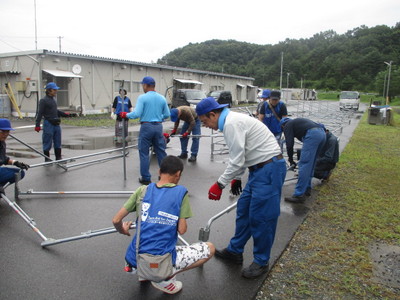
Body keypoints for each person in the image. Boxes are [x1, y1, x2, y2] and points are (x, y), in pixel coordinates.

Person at [195, 97, 286, 279]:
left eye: (205, 121)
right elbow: (242, 153)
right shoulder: (231, 121)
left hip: (268, 169)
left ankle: (261, 261)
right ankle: (235, 250)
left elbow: (237, 159)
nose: (205, 126)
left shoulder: (231, 123)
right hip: (258, 169)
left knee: (262, 218)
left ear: (213, 114)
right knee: (244, 211)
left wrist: (220, 184)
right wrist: (236, 178)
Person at [112, 155, 215, 294]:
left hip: (133, 260)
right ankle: (164, 279)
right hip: (159, 262)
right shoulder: (180, 192)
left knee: (143, 243)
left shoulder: (142, 190)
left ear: (159, 172)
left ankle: (144, 274)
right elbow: (182, 229)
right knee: (210, 248)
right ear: (178, 174)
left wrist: (122, 230)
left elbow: (116, 220)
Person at [120, 76, 170, 185]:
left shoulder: (142, 98)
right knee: (161, 152)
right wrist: (158, 117)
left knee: (144, 153)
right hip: (158, 126)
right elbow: (167, 114)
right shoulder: (162, 98)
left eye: (143, 85)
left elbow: (137, 114)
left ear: (145, 85)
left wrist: (126, 114)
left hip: (146, 126)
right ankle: (165, 176)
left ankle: (146, 178)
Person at [280, 117, 326, 203]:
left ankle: (299, 195)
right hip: (322, 134)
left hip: (312, 135)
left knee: (304, 165)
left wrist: (290, 160)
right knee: (311, 164)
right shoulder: (297, 123)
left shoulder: (287, 125)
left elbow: (289, 144)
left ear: (283, 126)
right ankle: (307, 189)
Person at [34, 82, 72, 161]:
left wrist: (65, 114)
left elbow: (55, 110)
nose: (56, 91)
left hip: (56, 123)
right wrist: (37, 124)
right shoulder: (43, 100)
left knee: (58, 141)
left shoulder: (54, 99)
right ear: (49, 90)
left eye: (56, 90)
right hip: (48, 124)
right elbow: (40, 113)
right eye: (54, 90)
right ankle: (47, 159)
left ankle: (58, 157)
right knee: (47, 141)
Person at [0, 119, 30, 191]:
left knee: (19, 173)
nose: (5, 134)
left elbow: (3, 159)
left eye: (7, 131)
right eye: (2, 131)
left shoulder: (2, 143)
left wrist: (15, 162)